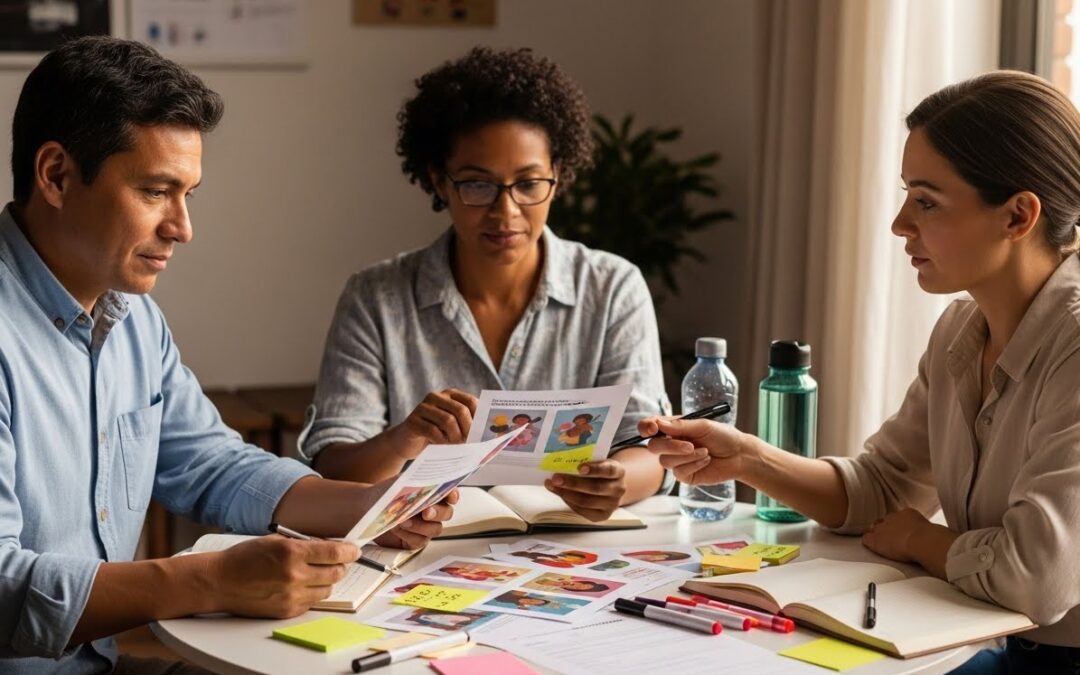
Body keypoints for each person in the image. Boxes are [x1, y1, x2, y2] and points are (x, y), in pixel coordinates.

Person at [0, 37, 453, 675]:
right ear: (55, 175)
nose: (182, 227)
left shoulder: (133, 318)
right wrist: (209, 580)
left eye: (189, 194)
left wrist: (364, 507)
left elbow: (210, 464)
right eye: (156, 191)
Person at [641, 71, 1080, 674]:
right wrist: (746, 458)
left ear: (1017, 216)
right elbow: (881, 489)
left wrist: (922, 540)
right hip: (999, 643)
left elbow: (1036, 579)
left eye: (926, 201)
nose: (901, 223)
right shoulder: (960, 329)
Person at [300, 46, 670, 522]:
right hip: (421, 550)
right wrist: (402, 439)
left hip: (568, 552)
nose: (506, 211)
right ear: (439, 181)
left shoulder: (613, 288)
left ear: (558, 177)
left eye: (529, 183)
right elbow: (333, 468)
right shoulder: (377, 298)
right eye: (478, 185)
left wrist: (616, 483)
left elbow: (650, 450)